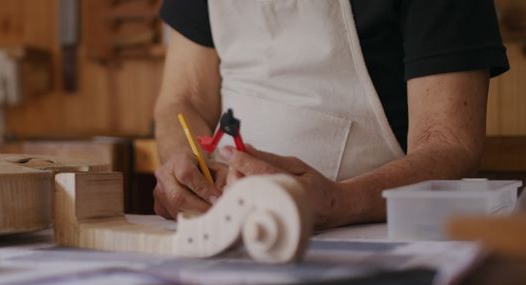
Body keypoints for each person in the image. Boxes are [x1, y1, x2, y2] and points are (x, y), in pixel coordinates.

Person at [152, 0, 509, 229]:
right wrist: (187, 173)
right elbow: (182, 100)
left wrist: (340, 201)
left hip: (377, 235)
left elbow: (451, 145)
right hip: (230, 225)